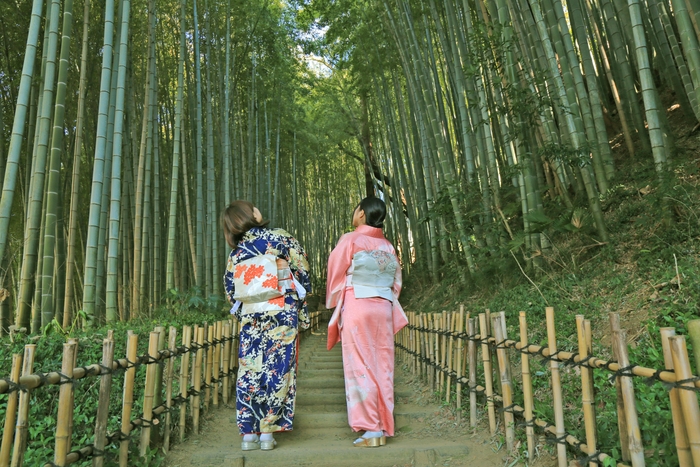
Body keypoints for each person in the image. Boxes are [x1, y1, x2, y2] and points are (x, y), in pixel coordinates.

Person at [222, 200, 311, 451]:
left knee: (251, 370)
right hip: (282, 311)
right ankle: (268, 433)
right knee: (278, 368)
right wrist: (300, 303)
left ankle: (248, 433)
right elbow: (302, 271)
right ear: (252, 214)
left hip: (252, 315)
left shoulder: (236, 253)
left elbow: (231, 291)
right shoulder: (281, 238)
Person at [325, 196, 408, 448]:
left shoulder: (350, 239)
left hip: (358, 304)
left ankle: (371, 429)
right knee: (382, 364)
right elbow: (396, 282)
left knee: (359, 364)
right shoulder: (388, 246)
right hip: (383, 306)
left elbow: (335, 272)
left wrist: (336, 297)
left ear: (361, 213)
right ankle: (382, 424)